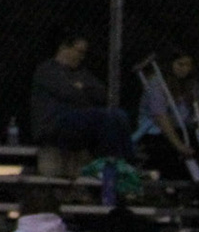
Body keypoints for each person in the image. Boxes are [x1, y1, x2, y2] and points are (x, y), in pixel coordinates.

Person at [29, 30, 132, 164]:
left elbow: (103, 94)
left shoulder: (81, 73)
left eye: (84, 53)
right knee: (107, 118)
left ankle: (124, 164)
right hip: (54, 125)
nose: (82, 57)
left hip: (79, 122)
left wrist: (82, 87)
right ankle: (112, 165)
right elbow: (69, 93)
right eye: (79, 52)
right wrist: (83, 92)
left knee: (119, 116)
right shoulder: (47, 70)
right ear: (64, 48)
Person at [132, 44, 199, 180]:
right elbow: (161, 118)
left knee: (198, 150)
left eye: (188, 65)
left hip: (182, 129)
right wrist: (180, 146)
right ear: (171, 64)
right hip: (156, 132)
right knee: (170, 152)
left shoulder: (191, 84)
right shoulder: (157, 84)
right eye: (180, 64)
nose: (184, 69)